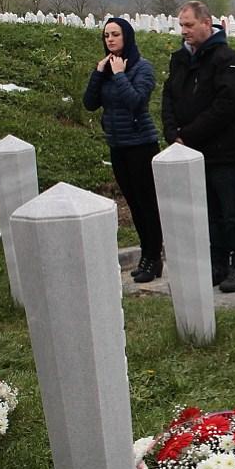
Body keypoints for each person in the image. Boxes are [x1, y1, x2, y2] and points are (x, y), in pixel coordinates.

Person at [161, 1, 235, 293]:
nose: (184, 31)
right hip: (192, 150)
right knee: (210, 212)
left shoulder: (227, 59)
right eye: (181, 25)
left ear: (206, 23)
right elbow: (169, 96)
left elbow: (226, 105)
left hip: (222, 150)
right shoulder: (180, 59)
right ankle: (218, 263)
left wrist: (188, 134)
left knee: (231, 210)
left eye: (189, 25)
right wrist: (171, 131)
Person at [83, 17, 164, 284]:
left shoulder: (142, 68)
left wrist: (119, 75)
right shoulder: (106, 69)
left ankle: (153, 257)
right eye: (106, 35)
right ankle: (146, 255)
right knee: (134, 204)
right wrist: (99, 73)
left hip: (141, 145)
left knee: (147, 204)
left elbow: (136, 102)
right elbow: (90, 104)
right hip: (118, 145)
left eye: (115, 34)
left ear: (126, 37)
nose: (110, 39)